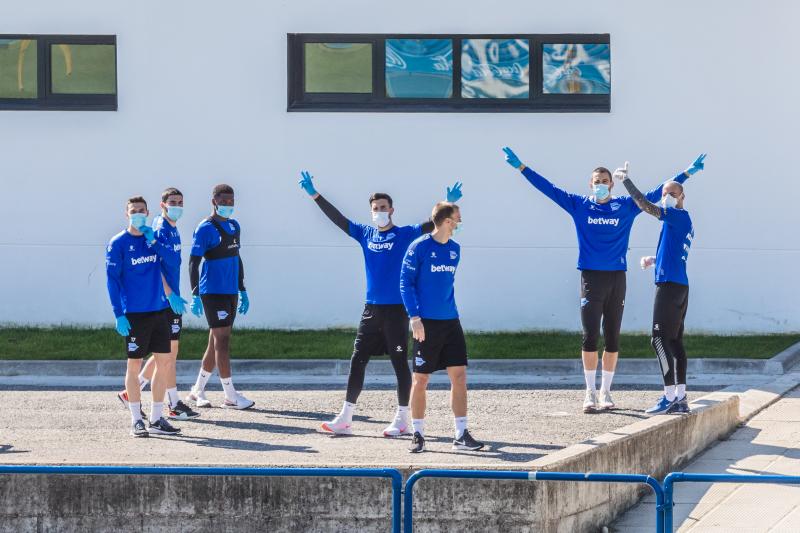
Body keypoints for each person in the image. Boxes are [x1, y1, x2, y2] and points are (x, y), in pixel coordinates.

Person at [502, 147, 705, 413]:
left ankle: (606, 391)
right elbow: (548, 189)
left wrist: (687, 172)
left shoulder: (625, 206)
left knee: (612, 338)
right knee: (589, 337)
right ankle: (589, 392)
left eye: (605, 181)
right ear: (590, 184)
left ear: (612, 184)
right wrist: (522, 168)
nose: (600, 185)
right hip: (590, 277)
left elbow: (660, 192)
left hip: (616, 278)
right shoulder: (578, 204)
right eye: (596, 182)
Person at [298, 170, 463, 436]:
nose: (379, 212)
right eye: (375, 208)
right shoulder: (365, 233)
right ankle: (346, 417)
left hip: (397, 310)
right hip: (371, 308)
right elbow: (338, 219)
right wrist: (315, 195)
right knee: (357, 359)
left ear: (392, 210)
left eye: (383, 208)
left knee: (399, 363)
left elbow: (431, 224)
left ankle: (402, 419)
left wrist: (446, 200)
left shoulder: (404, 234)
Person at [614, 159, 703, 415]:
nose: (666, 197)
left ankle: (668, 397)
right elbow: (675, 254)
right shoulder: (682, 221)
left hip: (669, 288)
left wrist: (627, 182)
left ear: (682, 196)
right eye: (664, 193)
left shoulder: (674, 215)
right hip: (679, 286)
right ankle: (681, 397)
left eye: (671, 193)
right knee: (675, 342)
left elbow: (645, 206)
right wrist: (655, 260)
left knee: (658, 340)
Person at [400, 202, 484, 453]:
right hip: (426, 323)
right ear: (447, 221)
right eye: (457, 218)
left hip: (451, 321)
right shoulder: (419, 247)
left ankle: (461, 433)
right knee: (421, 379)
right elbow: (406, 283)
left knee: (459, 376)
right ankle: (418, 434)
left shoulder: (455, 250)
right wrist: (414, 317)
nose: (459, 222)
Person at [116, 188, 199, 420]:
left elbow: (172, 262)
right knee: (168, 355)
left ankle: (141, 392)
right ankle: (172, 403)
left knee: (167, 353)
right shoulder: (160, 228)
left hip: (170, 297)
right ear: (162, 205)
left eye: (181, 202)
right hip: (162, 301)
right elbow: (157, 266)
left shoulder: (171, 228)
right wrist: (169, 293)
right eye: (173, 202)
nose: (178, 206)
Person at [105, 196, 182, 437]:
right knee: (134, 364)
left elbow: (172, 261)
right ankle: (136, 419)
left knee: (164, 362)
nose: (138, 214)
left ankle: (157, 418)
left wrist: (154, 242)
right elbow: (112, 281)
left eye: (141, 211)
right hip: (135, 314)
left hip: (159, 310)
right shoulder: (118, 243)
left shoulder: (154, 238)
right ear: (126, 214)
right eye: (133, 211)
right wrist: (119, 314)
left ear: (148, 213)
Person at [185, 184, 253, 409]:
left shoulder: (234, 226)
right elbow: (194, 262)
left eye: (231, 202)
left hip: (230, 291)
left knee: (215, 341)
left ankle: (197, 391)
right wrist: (195, 293)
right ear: (214, 201)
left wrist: (242, 289)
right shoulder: (205, 228)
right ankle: (231, 396)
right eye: (223, 201)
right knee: (222, 341)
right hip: (212, 291)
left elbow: (238, 257)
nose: (227, 205)